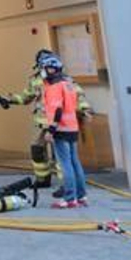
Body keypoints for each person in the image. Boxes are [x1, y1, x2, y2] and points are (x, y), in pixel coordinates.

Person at [0, 49, 90, 200]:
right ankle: (43, 179)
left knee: (61, 157)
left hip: (58, 124)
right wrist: (7, 99)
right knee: (38, 149)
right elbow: (26, 97)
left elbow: (77, 95)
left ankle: (66, 186)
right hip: (43, 123)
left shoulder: (64, 80)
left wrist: (85, 109)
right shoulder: (36, 80)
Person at [38, 52, 89, 209]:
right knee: (75, 163)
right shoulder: (68, 84)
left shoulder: (54, 87)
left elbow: (57, 110)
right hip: (72, 128)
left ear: (52, 69)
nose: (43, 71)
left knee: (65, 164)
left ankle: (69, 198)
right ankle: (81, 196)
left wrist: (50, 130)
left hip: (60, 129)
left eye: (44, 68)